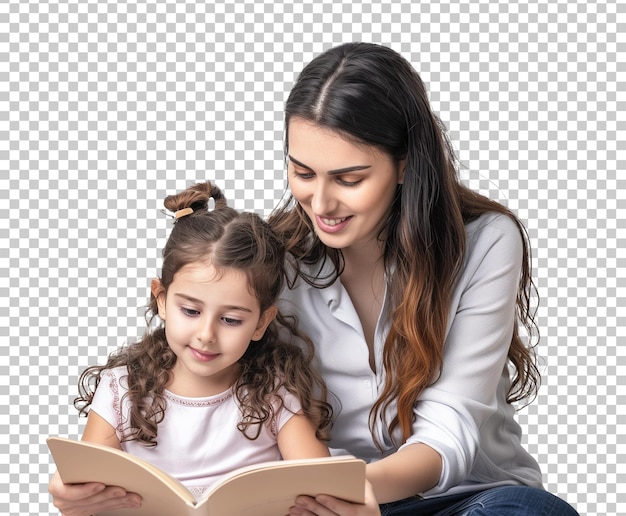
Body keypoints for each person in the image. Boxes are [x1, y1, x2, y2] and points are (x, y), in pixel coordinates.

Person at [49, 43, 578, 515]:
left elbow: (450, 430)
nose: (320, 205)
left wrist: (349, 490)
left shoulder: (485, 242)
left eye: (349, 179)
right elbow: (202, 368)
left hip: (458, 496)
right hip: (318, 506)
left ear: (405, 165)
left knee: (522, 511)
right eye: (302, 173)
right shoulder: (275, 259)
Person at [48, 181, 332, 515]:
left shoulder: (274, 395)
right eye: (191, 311)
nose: (206, 334)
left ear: (261, 322)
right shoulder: (119, 391)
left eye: (230, 320)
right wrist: (74, 498)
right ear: (162, 300)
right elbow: (87, 494)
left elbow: (323, 487)